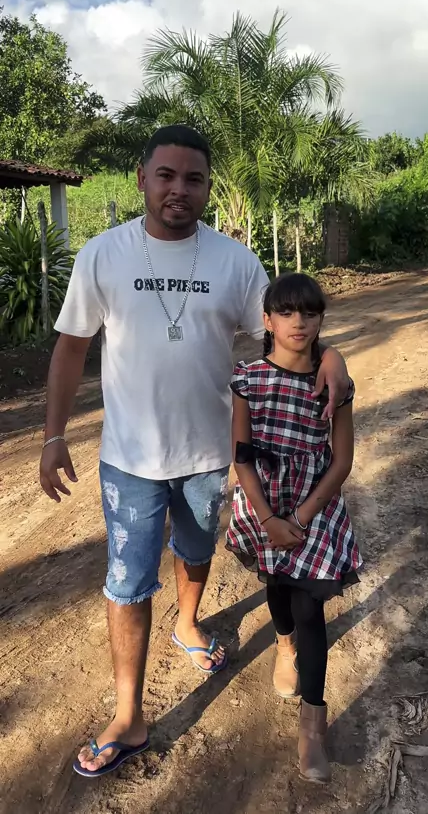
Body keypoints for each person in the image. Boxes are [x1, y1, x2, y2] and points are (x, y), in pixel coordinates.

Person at [39, 125, 350, 777]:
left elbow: (284, 332)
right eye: (166, 175)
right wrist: (53, 435)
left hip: (210, 455)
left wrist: (332, 355)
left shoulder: (235, 263)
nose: (179, 189)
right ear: (142, 179)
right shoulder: (103, 254)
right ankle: (128, 716)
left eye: (194, 178)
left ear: (208, 187)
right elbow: (71, 347)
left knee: (197, 551)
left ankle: (188, 623)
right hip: (129, 461)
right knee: (127, 582)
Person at [227, 272, 362, 783]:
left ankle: (312, 727)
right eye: (286, 312)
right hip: (264, 501)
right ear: (267, 320)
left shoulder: (334, 384)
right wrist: (267, 518)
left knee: (310, 606)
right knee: (278, 586)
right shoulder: (248, 379)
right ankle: (283, 645)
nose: (298, 322)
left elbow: (342, 459)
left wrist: (300, 518)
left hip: (314, 505)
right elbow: (241, 456)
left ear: (321, 319)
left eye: (309, 312)